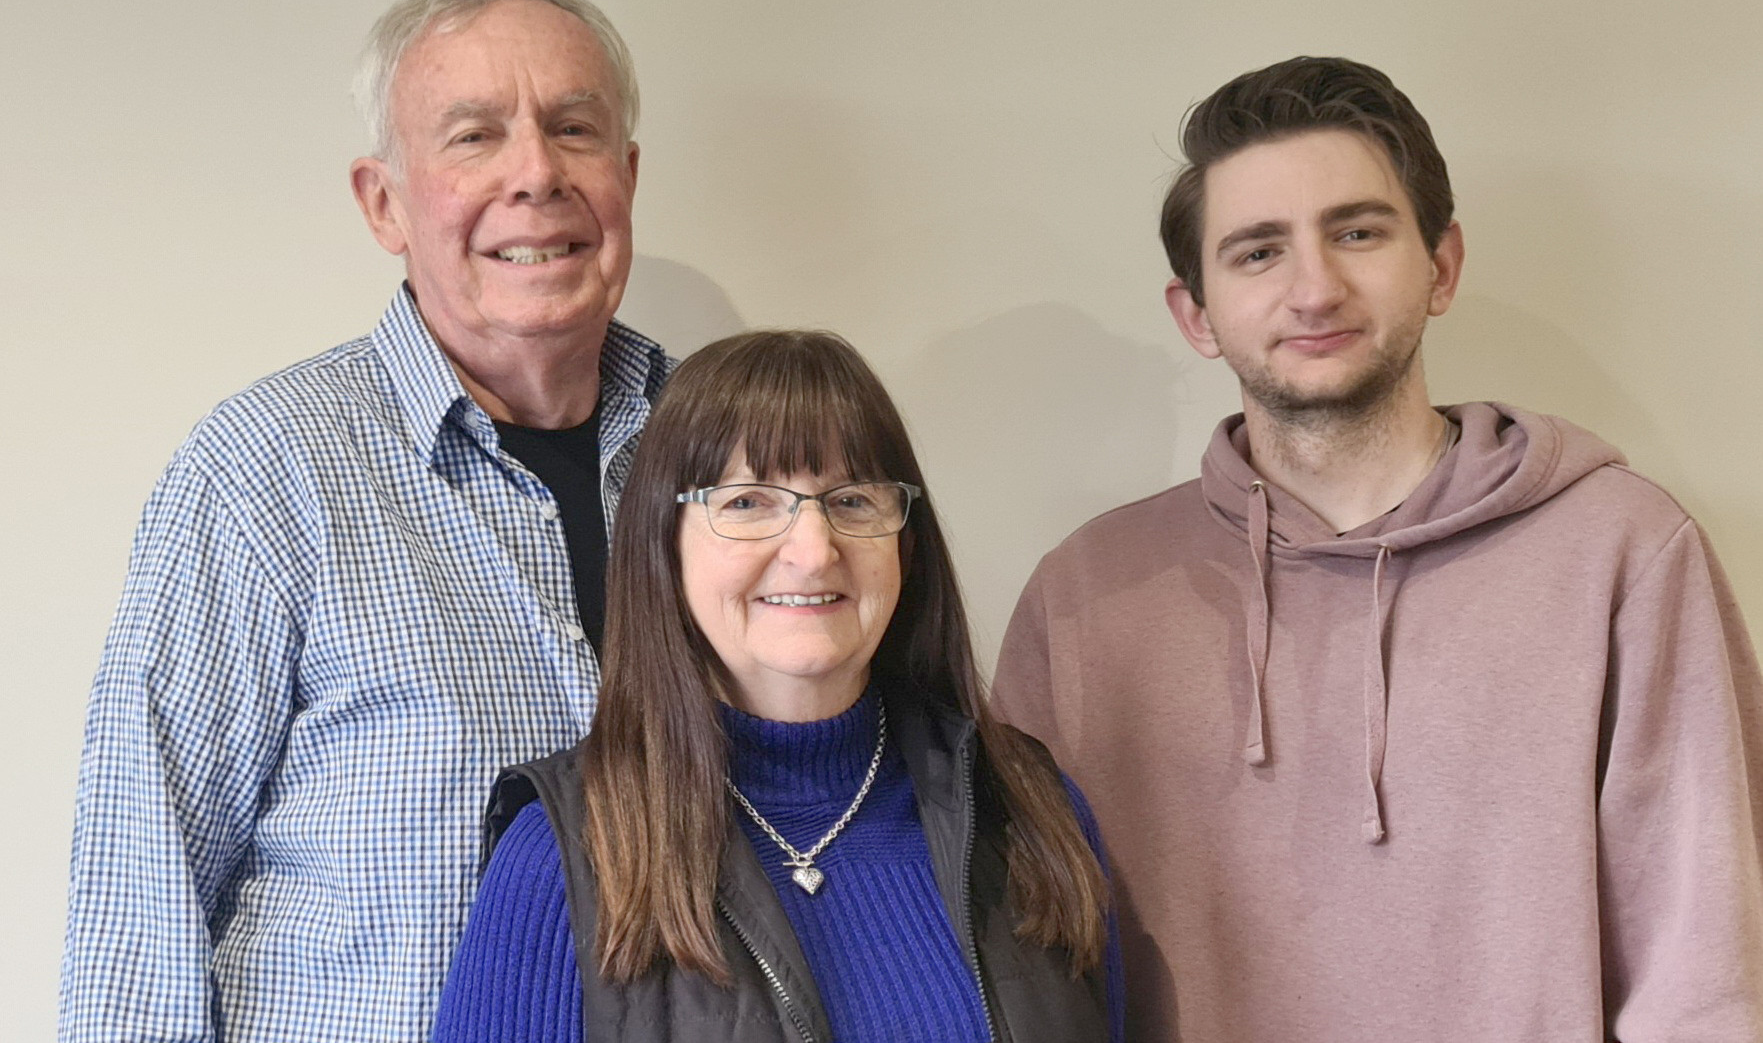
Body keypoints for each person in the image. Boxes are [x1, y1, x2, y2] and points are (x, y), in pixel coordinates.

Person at [992, 57, 1763, 1041]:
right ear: (1194, 314)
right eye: (1257, 251)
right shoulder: (1085, 596)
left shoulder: (1622, 554)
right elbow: (1024, 959)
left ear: (1439, 265)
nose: (1314, 288)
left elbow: (1698, 976)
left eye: (1355, 231)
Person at [59, 0, 672, 1042]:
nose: (536, 173)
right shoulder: (263, 469)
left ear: (625, 173)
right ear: (382, 202)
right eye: (474, 135)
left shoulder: (728, 458)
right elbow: (139, 890)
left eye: (573, 129)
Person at [430, 330, 1125, 1042]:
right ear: (663, 546)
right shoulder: (568, 851)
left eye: (851, 500)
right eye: (748, 502)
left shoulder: (1031, 809)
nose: (813, 549)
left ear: (904, 547)